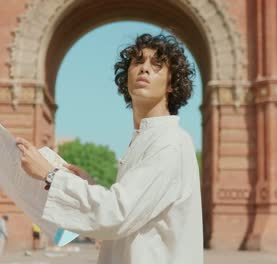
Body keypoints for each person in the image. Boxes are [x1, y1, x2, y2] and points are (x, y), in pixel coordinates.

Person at [15, 33, 203, 264]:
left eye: (156, 66)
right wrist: (88, 184)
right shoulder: (145, 139)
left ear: (172, 85)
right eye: (138, 62)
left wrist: (51, 175)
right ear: (126, 78)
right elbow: (132, 210)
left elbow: (117, 213)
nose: (144, 69)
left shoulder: (170, 142)